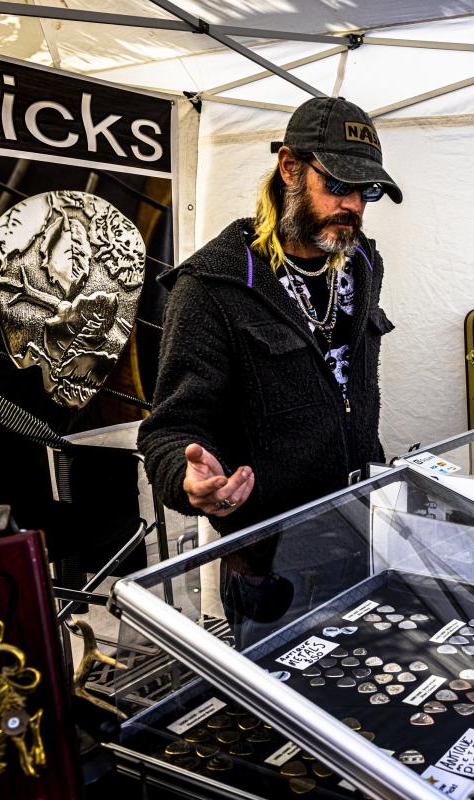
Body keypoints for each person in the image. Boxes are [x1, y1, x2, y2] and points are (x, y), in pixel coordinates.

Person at [139, 96, 401, 534]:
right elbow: (169, 429)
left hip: (364, 519)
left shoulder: (363, 262)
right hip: (269, 550)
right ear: (290, 168)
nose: (354, 205)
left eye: (367, 190)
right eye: (338, 184)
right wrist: (188, 480)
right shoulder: (212, 284)